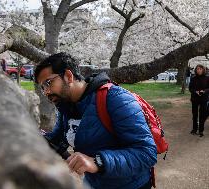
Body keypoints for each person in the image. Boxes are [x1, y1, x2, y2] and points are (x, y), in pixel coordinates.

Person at [35, 52, 157, 189]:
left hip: (130, 185)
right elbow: (57, 139)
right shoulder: (66, 106)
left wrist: (98, 162)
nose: (45, 92)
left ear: (68, 76)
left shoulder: (116, 99)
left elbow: (146, 153)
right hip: (94, 183)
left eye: (48, 83)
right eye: (42, 87)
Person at [189, 64, 209, 137]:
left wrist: (204, 91)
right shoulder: (193, 78)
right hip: (195, 98)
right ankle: (194, 129)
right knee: (195, 115)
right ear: (196, 70)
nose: (199, 70)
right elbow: (190, 88)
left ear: (203, 70)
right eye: (197, 69)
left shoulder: (207, 78)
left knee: (202, 115)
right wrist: (195, 92)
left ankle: (201, 130)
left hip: (204, 99)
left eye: (200, 69)